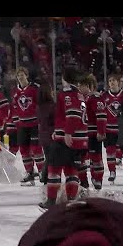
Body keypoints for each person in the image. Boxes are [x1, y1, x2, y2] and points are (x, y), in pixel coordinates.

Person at [40, 68, 87, 210]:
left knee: (53, 169)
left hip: (67, 140)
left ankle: (51, 201)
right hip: (79, 139)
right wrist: (58, 131)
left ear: (65, 79)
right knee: (71, 169)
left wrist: (66, 133)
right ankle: (71, 199)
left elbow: (72, 114)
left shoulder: (66, 94)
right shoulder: (79, 94)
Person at [11, 67, 45, 185]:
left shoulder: (35, 89)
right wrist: (16, 123)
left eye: (22, 74)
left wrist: (42, 121)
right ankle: (29, 173)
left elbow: (41, 104)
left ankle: (42, 172)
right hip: (22, 125)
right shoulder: (15, 92)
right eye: (18, 75)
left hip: (35, 124)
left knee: (36, 149)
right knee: (24, 150)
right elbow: (14, 108)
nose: (20, 77)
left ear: (27, 75)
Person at [96, 74, 123, 184]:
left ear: (118, 82)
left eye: (114, 80)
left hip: (121, 129)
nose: (112, 83)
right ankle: (112, 172)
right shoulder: (104, 96)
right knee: (110, 151)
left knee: (121, 149)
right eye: (110, 81)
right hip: (109, 129)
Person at [81, 74, 105, 190]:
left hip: (93, 133)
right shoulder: (83, 98)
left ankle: (98, 179)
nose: (80, 88)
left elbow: (101, 115)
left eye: (82, 86)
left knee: (96, 157)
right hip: (84, 134)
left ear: (89, 86)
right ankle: (89, 180)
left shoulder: (95, 98)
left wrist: (101, 131)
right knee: (87, 157)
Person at [36, 82, 56, 188]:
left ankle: (45, 178)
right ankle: (45, 176)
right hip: (51, 135)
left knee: (48, 157)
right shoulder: (52, 106)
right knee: (51, 159)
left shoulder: (39, 107)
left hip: (43, 136)